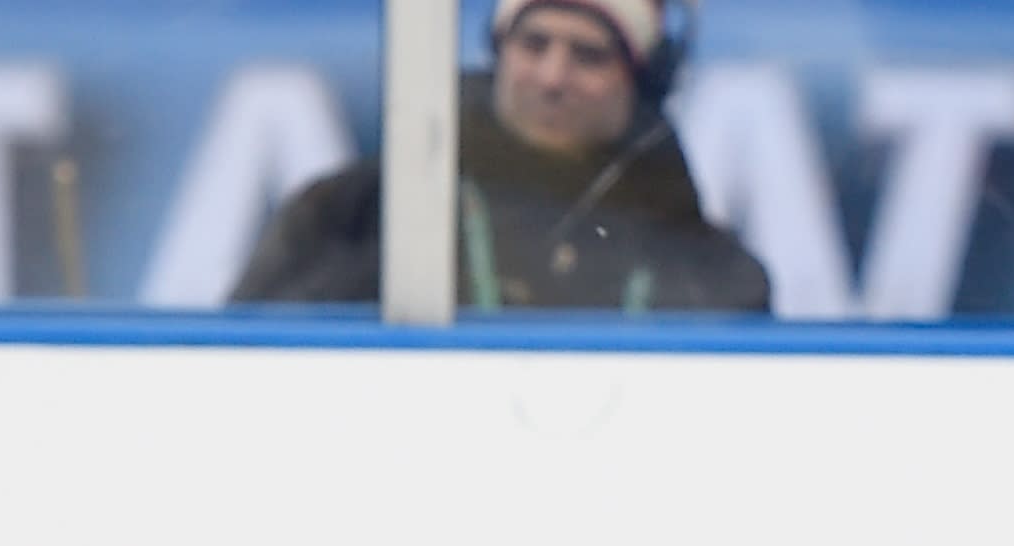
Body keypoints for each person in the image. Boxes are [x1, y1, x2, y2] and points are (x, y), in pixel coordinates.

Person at [229, 0, 769, 314]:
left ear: (643, 81)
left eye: (589, 55)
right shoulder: (350, 218)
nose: (553, 77)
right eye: (534, 44)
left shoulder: (714, 274)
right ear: (499, 49)